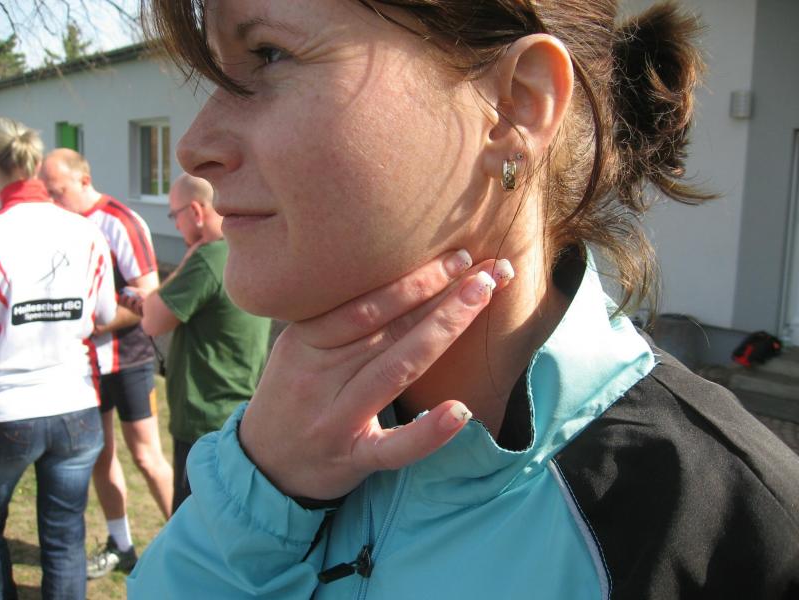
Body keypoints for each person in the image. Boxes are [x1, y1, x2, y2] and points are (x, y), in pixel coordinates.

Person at [129, 1, 799, 598]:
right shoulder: (276, 444)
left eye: (270, 54)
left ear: (516, 106)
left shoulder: (730, 531)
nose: (193, 147)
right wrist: (262, 498)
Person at [40, 150, 174, 579]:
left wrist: (89, 322)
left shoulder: (119, 220)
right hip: (82, 365)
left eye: (57, 191)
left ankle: (188, 547)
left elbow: (149, 297)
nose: (52, 200)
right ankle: (121, 544)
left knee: (147, 457)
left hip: (128, 360)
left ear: (84, 180)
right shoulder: (56, 224)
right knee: (99, 455)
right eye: (46, 192)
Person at [0, 118, 116, 599]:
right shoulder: (85, 231)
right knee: (66, 537)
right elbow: (105, 313)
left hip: (9, 406)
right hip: (75, 404)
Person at [122, 173, 271, 513]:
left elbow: (152, 321)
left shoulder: (206, 259)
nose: (175, 225)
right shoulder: (245, 249)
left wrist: (188, 259)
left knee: (193, 521)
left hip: (203, 417)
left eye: (175, 215)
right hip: (238, 409)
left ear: (196, 211)